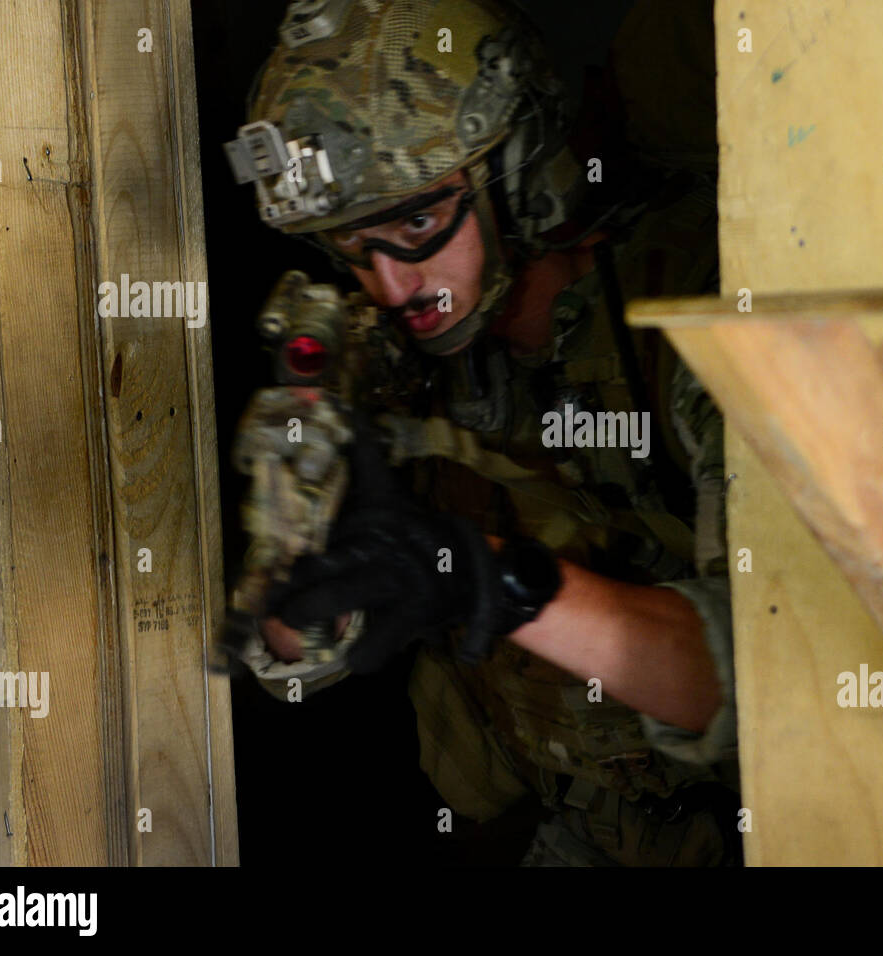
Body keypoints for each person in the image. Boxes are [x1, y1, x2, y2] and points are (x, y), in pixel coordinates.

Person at [224, 0, 738, 865]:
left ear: (516, 172)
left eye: (418, 225)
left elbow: (769, 682)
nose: (391, 283)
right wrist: (299, 547)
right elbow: (300, 668)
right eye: (353, 244)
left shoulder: (691, 320)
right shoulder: (398, 366)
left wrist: (487, 581)